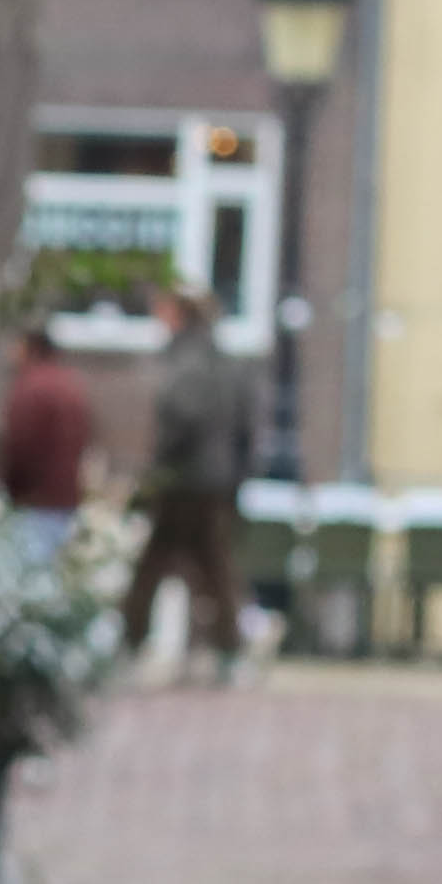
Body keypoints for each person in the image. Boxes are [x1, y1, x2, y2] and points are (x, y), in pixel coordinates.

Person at [130, 279, 256, 673]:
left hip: (184, 481)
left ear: (179, 315)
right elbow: (246, 427)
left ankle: (130, 642)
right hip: (217, 480)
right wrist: (237, 474)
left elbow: (183, 418)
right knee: (215, 566)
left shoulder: (188, 359)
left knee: (154, 564)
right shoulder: (225, 360)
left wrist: (158, 469)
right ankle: (228, 649)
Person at [0, 320, 92, 563]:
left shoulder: (32, 387)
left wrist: (13, 491)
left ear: (30, 349)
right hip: (65, 495)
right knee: (51, 567)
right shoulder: (69, 384)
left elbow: (20, 443)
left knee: (30, 571)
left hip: (37, 499)